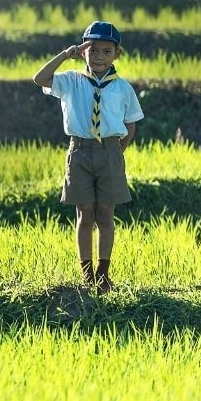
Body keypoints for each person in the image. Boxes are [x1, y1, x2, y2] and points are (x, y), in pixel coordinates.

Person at [33, 21, 143, 293]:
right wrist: (64, 54)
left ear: (117, 54)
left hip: (109, 151)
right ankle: (87, 275)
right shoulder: (71, 81)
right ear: (83, 51)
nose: (99, 57)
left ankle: (103, 274)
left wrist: (117, 151)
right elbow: (40, 79)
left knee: (106, 214)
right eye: (93, 50)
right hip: (79, 151)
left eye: (107, 51)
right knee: (84, 214)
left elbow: (131, 124)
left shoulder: (123, 88)